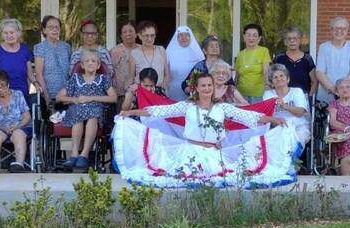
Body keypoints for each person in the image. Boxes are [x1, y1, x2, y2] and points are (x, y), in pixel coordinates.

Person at [114, 73, 303, 188]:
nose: (206, 89)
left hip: (214, 154)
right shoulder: (187, 106)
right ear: (196, 88)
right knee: (185, 179)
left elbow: (250, 117)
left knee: (222, 178)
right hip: (190, 152)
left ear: (213, 88)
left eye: (209, 86)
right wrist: (129, 112)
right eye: (203, 85)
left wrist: (273, 119)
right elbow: (156, 111)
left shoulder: (223, 108)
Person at [56, 49, 117, 170]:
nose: (90, 63)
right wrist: (75, 100)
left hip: (96, 109)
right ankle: (74, 154)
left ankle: (84, 154)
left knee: (93, 114)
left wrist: (91, 98)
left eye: (93, 61)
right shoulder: (75, 78)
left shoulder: (103, 79)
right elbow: (59, 97)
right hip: (77, 109)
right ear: (82, 65)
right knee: (79, 114)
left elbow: (114, 98)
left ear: (98, 65)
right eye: (87, 61)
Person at [0, 70, 32, 173]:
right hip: (1, 128)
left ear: (8, 83)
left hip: (19, 126)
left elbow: (27, 117)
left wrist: (17, 126)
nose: (1, 89)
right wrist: (3, 128)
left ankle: (19, 164)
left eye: (3, 86)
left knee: (18, 134)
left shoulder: (18, 95)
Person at [316, 16, 350, 103]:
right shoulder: (323, 47)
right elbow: (319, 72)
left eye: (343, 28)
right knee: (329, 116)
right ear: (331, 30)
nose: (339, 31)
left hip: (349, 96)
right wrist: (334, 89)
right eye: (336, 28)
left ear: (347, 30)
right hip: (327, 95)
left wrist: (344, 89)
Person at [0, 18, 36, 102]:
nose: (9, 36)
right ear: (2, 35)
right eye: (5, 33)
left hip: (22, 92)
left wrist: (35, 83)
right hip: (2, 93)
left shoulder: (25, 49)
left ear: (18, 33)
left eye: (12, 32)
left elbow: (30, 72)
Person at [263, 64, 310, 144]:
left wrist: (284, 106)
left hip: (298, 126)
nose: (279, 79)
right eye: (275, 77)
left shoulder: (297, 91)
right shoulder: (268, 95)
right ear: (272, 83)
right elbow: (266, 117)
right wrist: (276, 122)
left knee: (292, 143)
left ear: (287, 79)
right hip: (277, 126)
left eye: (281, 76)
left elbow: (300, 112)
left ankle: (292, 156)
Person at [34, 15, 71, 108]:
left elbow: (70, 71)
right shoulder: (40, 47)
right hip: (50, 94)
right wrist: (47, 97)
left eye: (57, 27)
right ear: (44, 30)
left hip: (66, 94)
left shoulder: (66, 47)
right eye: (50, 27)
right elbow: (38, 74)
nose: (54, 29)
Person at [273, 26, 318, 95]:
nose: (292, 41)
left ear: (300, 41)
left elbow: (314, 82)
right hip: (283, 98)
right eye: (289, 39)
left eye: (295, 38)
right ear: (285, 42)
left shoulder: (307, 59)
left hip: (303, 98)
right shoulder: (279, 58)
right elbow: (273, 80)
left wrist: (309, 97)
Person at [234, 23, 271, 104]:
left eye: (254, 35)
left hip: (258, 95)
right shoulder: (240, 54)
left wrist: (267, 84)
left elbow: (266, 70)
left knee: (257, 115)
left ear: (259, 38)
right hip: (242, 94)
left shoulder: (264, 51)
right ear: (244, 37)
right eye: (248, 35)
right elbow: (237, 75)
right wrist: (234, 89)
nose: (251, 38)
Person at [166, 26, 205, 101]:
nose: (184, 37)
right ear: (176, 38)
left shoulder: (198, 53)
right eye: (180, 35)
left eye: (187, 35)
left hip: (193, 91)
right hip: (173, 91)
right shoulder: (168, 53)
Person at [128, 20, 170, 89]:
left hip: (159, 92)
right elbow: (131, 78)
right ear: (139, 36)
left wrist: (162, 88)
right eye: (146, 36)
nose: (149, 39)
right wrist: (129, 88)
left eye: (152, 35)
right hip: (142, 92)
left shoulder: (161, 50)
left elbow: (167, 74)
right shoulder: (134, 53)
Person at [110, 21, 140, 111]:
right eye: (124, 32)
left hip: (139, 92)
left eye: (131, 31)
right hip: (120, 94)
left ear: (136, 34)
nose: (128, 34)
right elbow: (110, 72)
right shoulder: (115, 51)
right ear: (121, 35)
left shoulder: (141, 49)